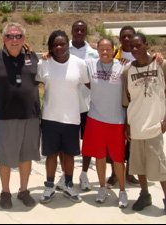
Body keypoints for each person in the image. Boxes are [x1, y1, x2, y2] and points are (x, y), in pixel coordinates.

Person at [123, 32, 166, 221]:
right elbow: (127, 101)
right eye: (132, 47)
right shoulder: (127, 71)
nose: (135, 49)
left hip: (154, 126)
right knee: (139, 165)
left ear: (147, 45)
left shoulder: (161, 65)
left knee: (160, 166)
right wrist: (127, 125)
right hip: (136, 126)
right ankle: (145, 195)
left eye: (138, 45)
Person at [0, 22, 41, 209]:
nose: (14, 40)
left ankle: (24, 190)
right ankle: (5, 192)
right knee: (4, 157)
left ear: (24, 39)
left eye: (18, 36)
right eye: (10, 36)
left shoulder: (33, 57)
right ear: (3, 38)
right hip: (5, 116)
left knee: (25, 156)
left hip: (30, 116)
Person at [37, 30, 89, 204]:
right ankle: (50, 186)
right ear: (51, 48)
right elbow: (34, 83)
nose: (59, 47)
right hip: (50, 117)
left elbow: (91, 85)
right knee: (51, 154)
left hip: (72, 118)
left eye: (62, 44)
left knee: (69, 155)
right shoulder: (44, 63)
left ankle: (68, 184)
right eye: (55, 44)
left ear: (68, 44)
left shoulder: (80, 64)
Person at [81, 38, 128, 208]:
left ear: (114, 49)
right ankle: (101, 187)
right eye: (102, 49)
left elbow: (143, 62)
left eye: (108, 49)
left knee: (118, 159)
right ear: (97, 50)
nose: (105, 52)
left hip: (116, 121)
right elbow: (68, 58)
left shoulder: (123, 66)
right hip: (96, 119)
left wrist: (157, 57)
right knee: (99, 156)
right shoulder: (90, 64)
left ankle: (122, 191)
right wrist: (48, 55)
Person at [55, 20, 99, 192]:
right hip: (66, 106)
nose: (79, 32)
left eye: (82, 30)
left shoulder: (93, 53)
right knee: (63, 144)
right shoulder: (62, 49)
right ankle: (66, 174)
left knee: (87, 143)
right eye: (76, 30)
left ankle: (84, 174)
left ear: (86, 32)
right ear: (71, 31)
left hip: (87, 106)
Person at [106, 25, 140, 187]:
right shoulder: (114, 55)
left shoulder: (140, 53)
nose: (126, 39)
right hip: (118, 103)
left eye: (129, 36)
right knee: (117, 141)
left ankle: (130, 173)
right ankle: (114, 173)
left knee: (133, 141)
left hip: (136, 105)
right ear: (119, 39)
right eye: (123, 36)